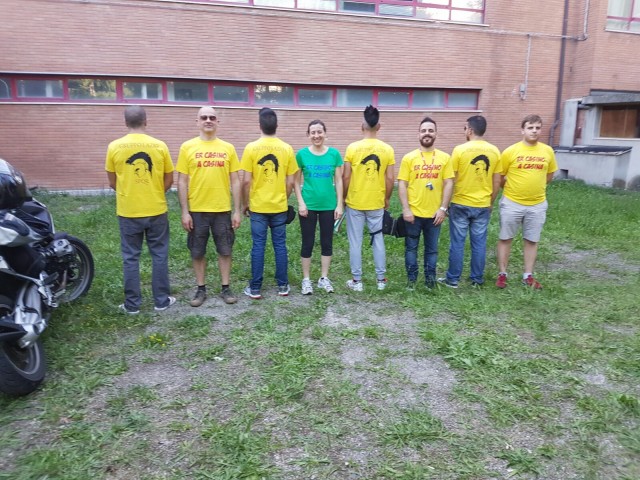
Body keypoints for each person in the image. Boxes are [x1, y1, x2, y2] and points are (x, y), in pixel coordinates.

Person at [105, 105, 175, 314]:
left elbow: (112, 182)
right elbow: (169, 179)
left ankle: (132, 305)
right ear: (146, 121)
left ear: (126, 122)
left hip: (128, 211)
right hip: (156, 209)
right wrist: (155, 192)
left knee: (130, 257)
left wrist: (129, 191)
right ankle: (161, 301)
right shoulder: (160, 146)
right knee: (159, 255)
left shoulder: (114, 147)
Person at [176, 106, 242, 306]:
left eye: (212, 117)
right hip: (197, 210)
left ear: (217, 122)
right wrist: (185, 212)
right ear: (197, 122)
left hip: (222, 209)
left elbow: (236, 181)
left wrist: (237, 210)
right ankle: (200, 289)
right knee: (197, 252)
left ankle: (226, 287)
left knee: (225, 250)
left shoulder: (228, 148)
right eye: (203, 117)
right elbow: (182, 181)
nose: (208, 120)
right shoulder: (187, 147)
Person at [241, 107, 298, 299]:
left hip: (257, 207)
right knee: (280, 245)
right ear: (276, 126)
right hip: (279, 206)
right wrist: (284, 197)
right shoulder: (287, 149)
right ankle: (283, 286)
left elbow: (246, 181)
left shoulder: (250, 148)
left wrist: (245, 203)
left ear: (259, 125)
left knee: (258, 245)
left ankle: (255, 288)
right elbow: (291, 182)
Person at [496, 114, 558, 289]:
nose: (534, 131)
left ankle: (528, 276)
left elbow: (549, 175)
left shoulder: (547, 151)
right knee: (505, 237)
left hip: (537, 204)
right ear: (522, 130)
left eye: (537, 128)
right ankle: (502, 274)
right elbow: (500, 177)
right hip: (512, 203)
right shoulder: (510, 151)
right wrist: (514, 189)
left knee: (531, 240)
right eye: (530, 127)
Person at [439, 115, 501, 288]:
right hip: (482, 204)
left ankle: (453, 279)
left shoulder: (459, 150)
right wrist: (491, 201)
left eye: (465, 128)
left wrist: (445, 203)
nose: (464, 131)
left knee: (457, 243)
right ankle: (476, 279)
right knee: (479, 243)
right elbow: (497, 180)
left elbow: (451, 179)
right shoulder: (495, 151)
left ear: (470, 130)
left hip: (460, 203)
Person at [397, 116, 454, 289]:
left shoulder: (445, 158)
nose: (427, 133)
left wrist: (443, 209)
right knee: (411, 248)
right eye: (423, 131)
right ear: (418, 134)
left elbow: (449, 183)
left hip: (435, 214)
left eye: (430, 130)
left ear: (436, 133)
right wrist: (406, 209)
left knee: (432, 250)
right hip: (413, 214)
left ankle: (430, 281)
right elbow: (402, 184)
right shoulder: (409, 158)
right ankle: (411, 281)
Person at [343, 105, 395, 292]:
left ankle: (357, 281)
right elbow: (390, 179)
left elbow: (346, 177)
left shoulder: (352, 148)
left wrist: (343, 197)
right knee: (378, 239)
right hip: (376, 202)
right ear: (378, 126)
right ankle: (381, 279)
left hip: (355, 202)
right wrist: (386, 198)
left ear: (362, 126)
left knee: (355, 241)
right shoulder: (387, 149)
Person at [294, 120, 344, 295]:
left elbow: (339, 180)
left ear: (325, 133)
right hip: (308, 206)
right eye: (313, 132)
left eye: (319, 132)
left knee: (327, 242)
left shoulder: (334, 154)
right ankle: (306, 279)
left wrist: (339, 204)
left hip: (328, 205)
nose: (316, 136)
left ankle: (324, 278)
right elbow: (295, 181)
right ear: (308, 135)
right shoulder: (301, 155)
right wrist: (301, 202)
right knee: (307, 242)